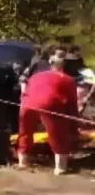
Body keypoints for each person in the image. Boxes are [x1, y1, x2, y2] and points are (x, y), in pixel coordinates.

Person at [18, 46, 79, 175]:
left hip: (27, 103)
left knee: (25, 132)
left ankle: (23, 162)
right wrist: (74, 128)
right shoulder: (68, 80)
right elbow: (72, 106)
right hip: (48, 103)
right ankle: (60, 167)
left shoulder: (36, 76)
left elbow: (25, 91)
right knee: (58, 134)